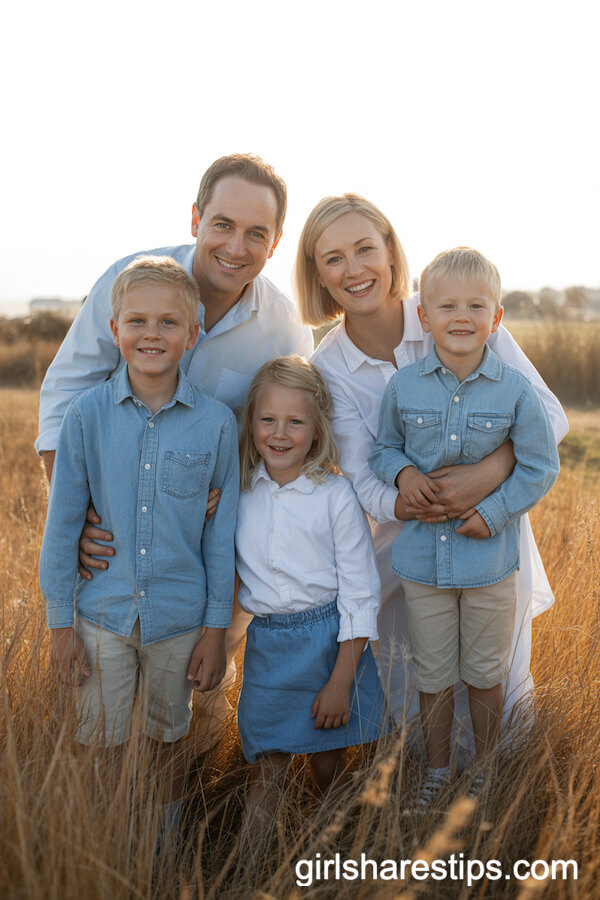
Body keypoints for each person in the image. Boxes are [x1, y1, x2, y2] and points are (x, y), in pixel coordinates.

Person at [36, 153, 313, 735]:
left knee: (197, 690)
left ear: (276, 241)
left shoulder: (284, 328)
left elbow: (286, 427)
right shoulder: (131, 283)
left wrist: (237, 488)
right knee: (102, 688)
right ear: (195, 219)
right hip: (120, 526)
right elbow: (64, 394)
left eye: (255, 233)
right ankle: (110, 817)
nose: (236, 246)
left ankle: (182, 814)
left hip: (215, 536)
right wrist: (80, 516)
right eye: (222, 225)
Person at [294, 193, 568, 741]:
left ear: (392, 253)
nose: (354, 269)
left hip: (488, 530)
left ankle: (500, 803)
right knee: (419, 699)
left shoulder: (456, 304)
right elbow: (362, 477)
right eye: (334, 258)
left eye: (366, 248)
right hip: (405, 554)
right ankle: (428, 802)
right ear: (317, 275)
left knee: (498, 686)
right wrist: (407, 497)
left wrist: (487, 474)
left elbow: (550, 419)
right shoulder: (328, 366)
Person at [39, 256, 240, 849]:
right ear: (114, 329)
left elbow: (220, 538)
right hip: (101, 615)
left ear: (193, 334)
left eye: (169, 323)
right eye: (138, 321)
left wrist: (215, 632)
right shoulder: (86, 417)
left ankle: (162, 845)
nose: (152, 334)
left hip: (180, 620)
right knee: (96, 736)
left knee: (166, 739)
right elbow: (61, 529)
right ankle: (101, 839)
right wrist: (59, 628)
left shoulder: (217, 425)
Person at [368, 247, 559, 803]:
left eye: (477, 306)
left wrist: (495, 512)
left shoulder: (515, 391)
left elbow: (539, 466)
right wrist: (403, 476)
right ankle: (435, 772)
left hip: (489, 562)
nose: (461, 316)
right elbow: (383, 450)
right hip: (422, 564)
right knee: (432, 676)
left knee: (484, 675)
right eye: (447, 305)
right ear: (423, 316)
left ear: (496, 319)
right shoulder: (404, 388)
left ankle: (483, 772)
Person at [234, 356, 387, 839]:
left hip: (329, 645)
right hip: (269, 647)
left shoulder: (336, 496)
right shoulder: (239, 493)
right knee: (267, 764)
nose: (280, 433)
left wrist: (342, 679)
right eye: (268, 420)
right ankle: (247, 873)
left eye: (295, 422)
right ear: (252, 423)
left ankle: (338, 857)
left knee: (326, 764)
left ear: (317, 430)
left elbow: (361, 593)